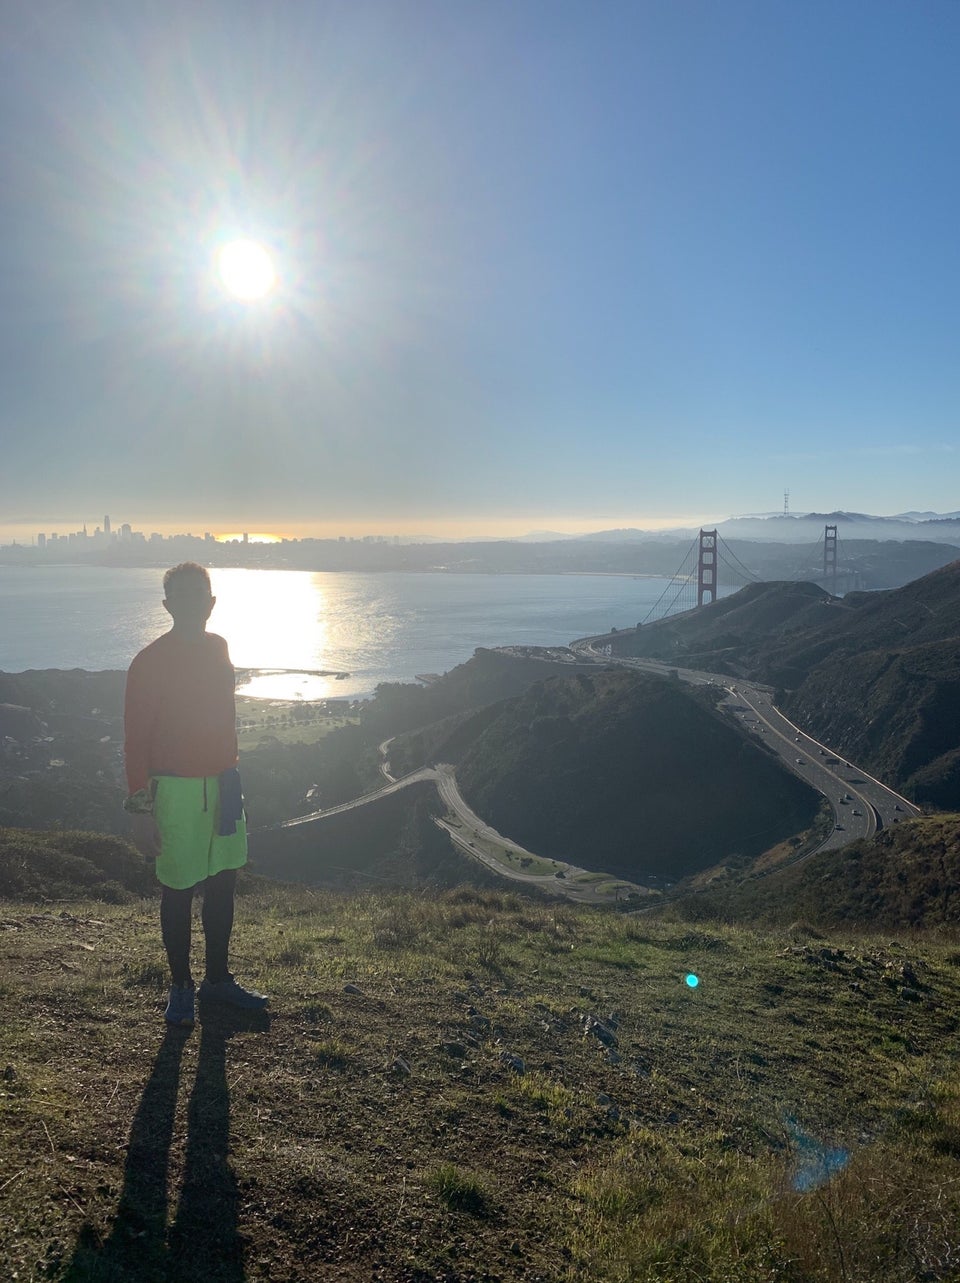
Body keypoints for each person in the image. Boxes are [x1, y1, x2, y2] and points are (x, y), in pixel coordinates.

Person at [123, 562, 268, 1027]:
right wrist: (141, 806)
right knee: (179, 889)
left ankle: (218, 981)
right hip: (176, 790)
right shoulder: (149, 661)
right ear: (167, 605)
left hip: (225, 781)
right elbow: (135, 739)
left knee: (224, 881)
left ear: (211, 603)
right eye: (180, 597)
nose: (191, 605)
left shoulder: (219, 648)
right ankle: (181, 986)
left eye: (198, 596)